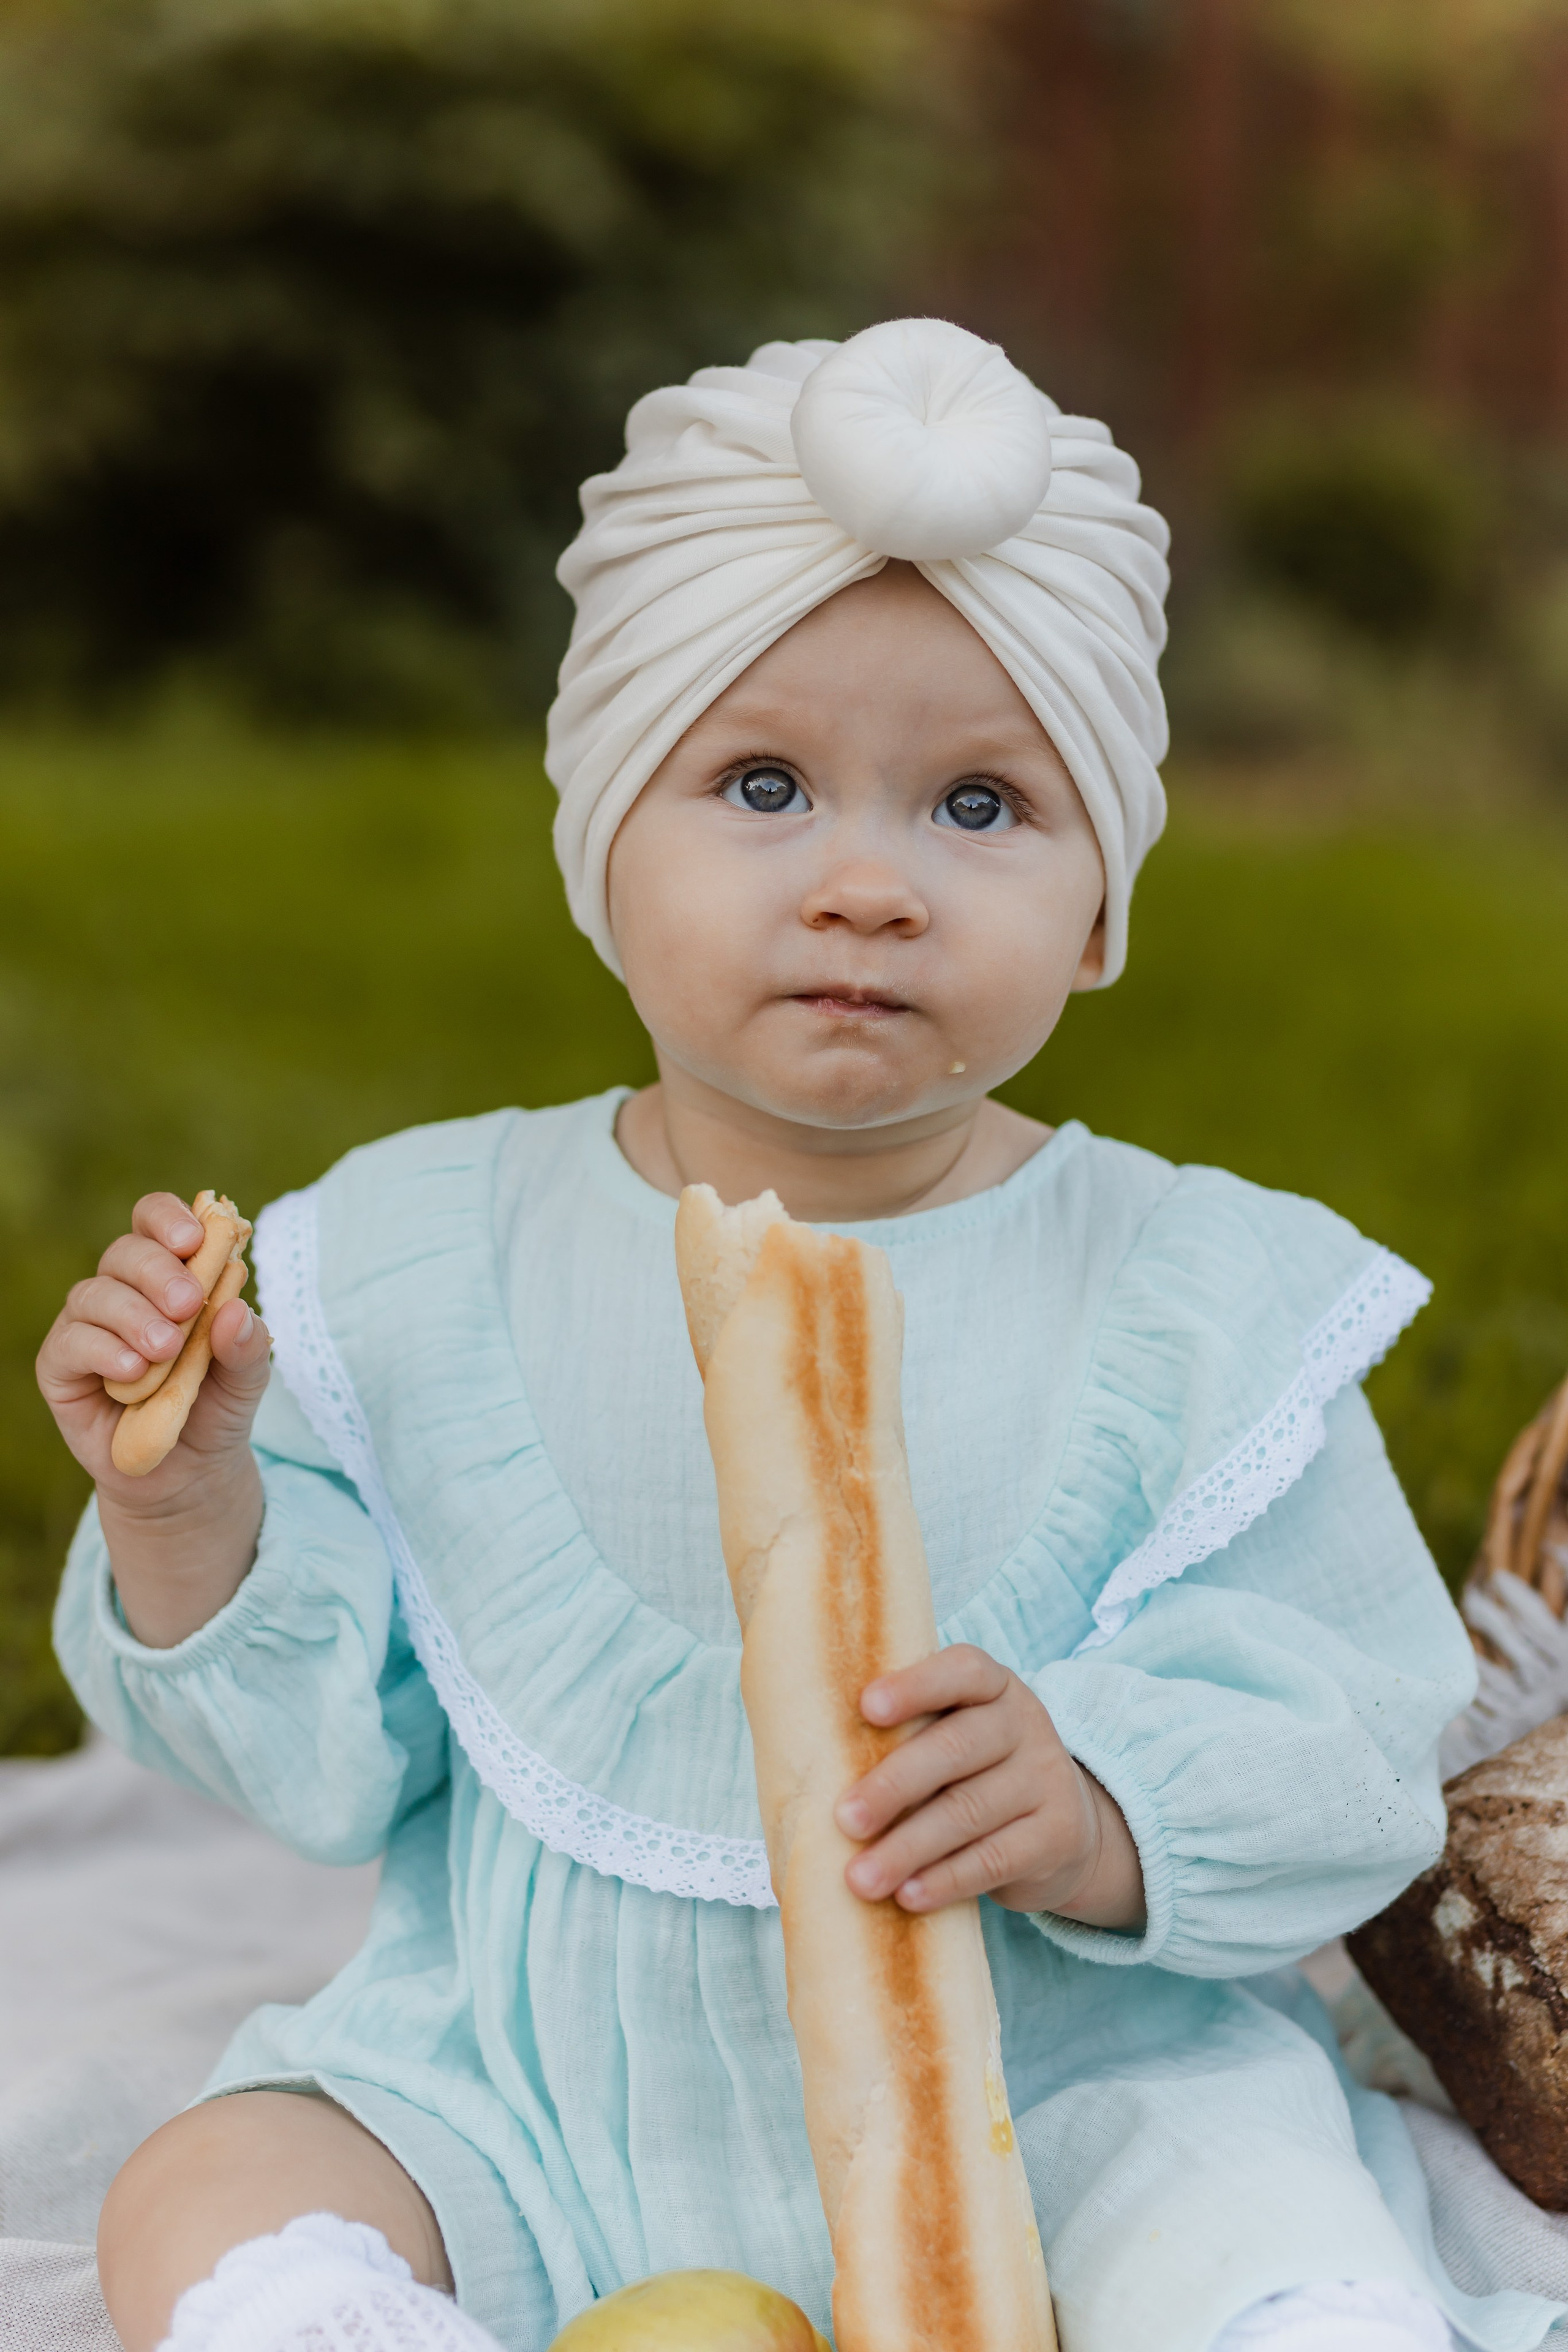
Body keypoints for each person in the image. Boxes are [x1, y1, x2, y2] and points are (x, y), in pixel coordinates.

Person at [36, 320, 1556, 2352]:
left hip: (1066, 2080)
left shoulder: (1191, 1293)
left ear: (1105, 910)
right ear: (599, 846)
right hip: (532, 2072)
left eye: (983, 807)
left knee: (1281, 2255)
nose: (867, 884)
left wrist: (1103, 1809)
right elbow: (330, 1757)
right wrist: (193, 1495)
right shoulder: (417, 1255)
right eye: (762, 785)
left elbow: (1341, 1735)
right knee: (217, 2185)